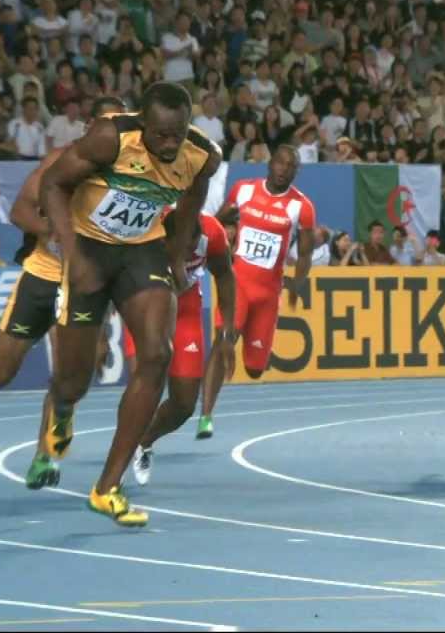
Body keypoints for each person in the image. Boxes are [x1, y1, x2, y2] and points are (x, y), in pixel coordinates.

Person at [36, 82, 221, 527]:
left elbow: (191, 203)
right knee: (76, 378)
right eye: (161, 135)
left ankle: (107, 488)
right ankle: (62, 408)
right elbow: (53, 185)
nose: (170, 144)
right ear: (143, 123)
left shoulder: (201, 156)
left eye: (178, 133)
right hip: (91, 251)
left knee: (158, 354)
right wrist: (71, 252)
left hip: (142, 251)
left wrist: (176, 257)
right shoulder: (110, 137)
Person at [0, 97, 125, 395]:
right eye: (107, 125)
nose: (114, 134)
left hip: (84, 284)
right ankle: (45, 323)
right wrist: (54, 232)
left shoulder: (130, 179)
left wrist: (102, 328)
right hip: (43, 273)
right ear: (90, 127)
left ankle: (51, 439)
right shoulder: (59, 160)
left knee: (69, 380)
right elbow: (19, 212)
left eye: (120, 126)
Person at [197, 144, 315, 438]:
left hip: (268, 294)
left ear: (296, 172)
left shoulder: (301, 207)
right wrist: (221, 238)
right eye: (280, 162)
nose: (283, 169)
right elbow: (218, 220)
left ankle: (252, 346)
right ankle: (206, 416)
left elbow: (304, 254)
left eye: (290, 166)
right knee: (223, 341)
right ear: (270, 163)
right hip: (238, 283)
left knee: (254, 369)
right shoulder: (244, 190)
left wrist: (298, 284)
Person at [127, 212, 235, 485]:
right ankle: (113, 473)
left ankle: (144, 441)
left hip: (186, 311)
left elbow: (224, 275)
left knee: (185, 404)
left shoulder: (213, 234)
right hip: (144, 305)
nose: (185, 257)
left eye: (192, 250)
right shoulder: (147, 228)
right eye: (181, 250)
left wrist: (226, 332)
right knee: (145, 384)